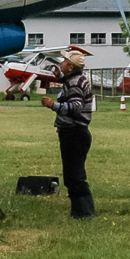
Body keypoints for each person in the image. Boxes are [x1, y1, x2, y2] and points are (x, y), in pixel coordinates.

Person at [41, 49, 95, 218]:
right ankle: (79, 212)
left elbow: (75, 107)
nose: (61, 63)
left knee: (74, 176)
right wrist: (59, 76)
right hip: (78, 133)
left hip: (74, 134)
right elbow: (71, 87)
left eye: (64, 61)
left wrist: (53, 105)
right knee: (74, 174)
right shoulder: (78, 79)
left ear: (70, 67)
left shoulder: (73, 84)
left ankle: (85, 213)